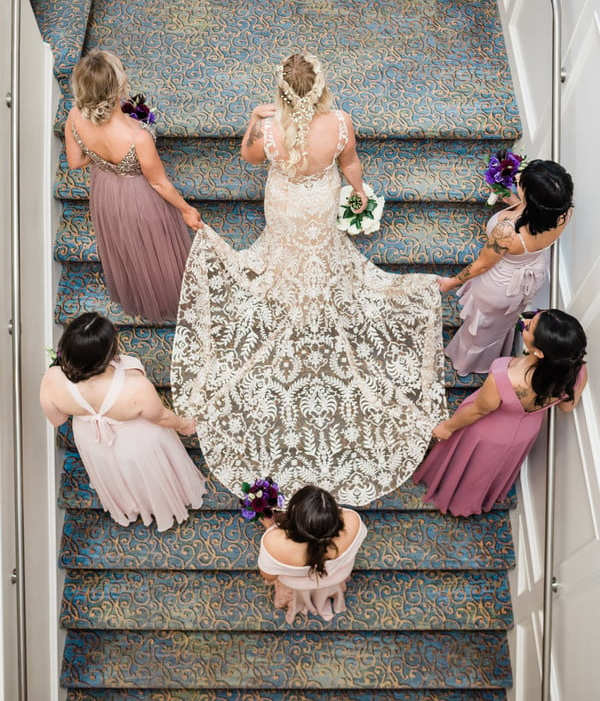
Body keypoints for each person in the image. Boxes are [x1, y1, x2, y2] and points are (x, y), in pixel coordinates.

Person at [171, 53, 447, 505]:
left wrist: (254, 120)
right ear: (320, 90)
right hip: (321, 203)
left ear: (281, 93)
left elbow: (247, 156)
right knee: (323, 250)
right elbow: (352, 164)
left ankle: (287, 284)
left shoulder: (268, 131)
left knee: (281, 251)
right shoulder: (339, 122)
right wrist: (358, 193)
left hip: (284, 206)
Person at [65, 49, 202, 323]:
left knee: (128, 246)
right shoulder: (137, 136)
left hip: (106, 191)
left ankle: (141, 294)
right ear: (118, 88)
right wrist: (186, 210)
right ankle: (169, 297)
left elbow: (75, 161)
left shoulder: (74, 117)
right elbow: (159, 183)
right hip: (139, 195)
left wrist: (101, 157)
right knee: (156, 247)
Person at [40, 312, 206, 531]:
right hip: (137, 446)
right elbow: (162, 416)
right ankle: (161, 502)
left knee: (116, 473)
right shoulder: (136, 386)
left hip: (94, 443)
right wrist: (184, 425)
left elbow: (58, 419)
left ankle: (130, 504)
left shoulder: (51, 379)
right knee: (146, 473)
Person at [413, 309, 587, 517]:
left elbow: (478, 410)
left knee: (470, 462)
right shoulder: (574, 370)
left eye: (530, 327)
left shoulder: (504, 375)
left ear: (540, 352)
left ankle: (449, 492)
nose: (527, 321)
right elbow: (567, 407)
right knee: (485, 469)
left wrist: (447, 427)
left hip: (488, 431)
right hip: (524, 433)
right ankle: (470, 501)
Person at [440, 159, 573, 375]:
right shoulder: (563, 212)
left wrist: (451, 282)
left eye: (523, 181)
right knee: (498, 324)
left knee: (480, 328)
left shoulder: (506, 231)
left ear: (530, 197)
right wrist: (512, 200)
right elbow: (534, 220)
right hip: (530, 276)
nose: (518, 177)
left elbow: (483, 264)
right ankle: (491, 355)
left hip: (501, 285)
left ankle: (468, 363)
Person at [257, 485, 367, 624]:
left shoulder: (273, 542)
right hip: (336, 574)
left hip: (296, 583)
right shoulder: (353, 520)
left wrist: (269, 527)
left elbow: (269, 576)